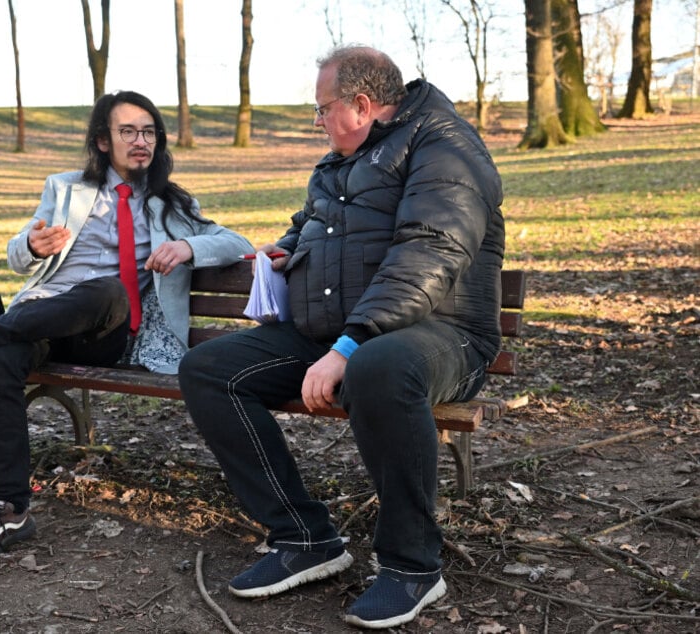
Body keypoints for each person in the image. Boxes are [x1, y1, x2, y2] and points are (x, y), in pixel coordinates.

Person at [178, 45, 505, 629]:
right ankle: (304, 537)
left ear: (361, 104)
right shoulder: (340, 160)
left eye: (322, 109)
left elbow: (429, 250)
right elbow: (315, 224)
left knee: (378, 367)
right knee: (209, 369)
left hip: (441, 332)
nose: (317, 122)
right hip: (344, 333)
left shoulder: (446, 148)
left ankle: (412, 566)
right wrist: (289, 248)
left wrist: (347, 348)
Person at [0, 90, 253, 564]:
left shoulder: (170, 203)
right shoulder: (65, 188)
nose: (140, 140)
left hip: (108, 334)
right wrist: (32, 243)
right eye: (127, 131)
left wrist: (190, 249)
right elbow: (16, 255)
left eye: (148, 131)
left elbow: (236, 240)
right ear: (103, 141)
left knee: (107, 291)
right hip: (46, 319)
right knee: (4, 358)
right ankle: (11, 509)